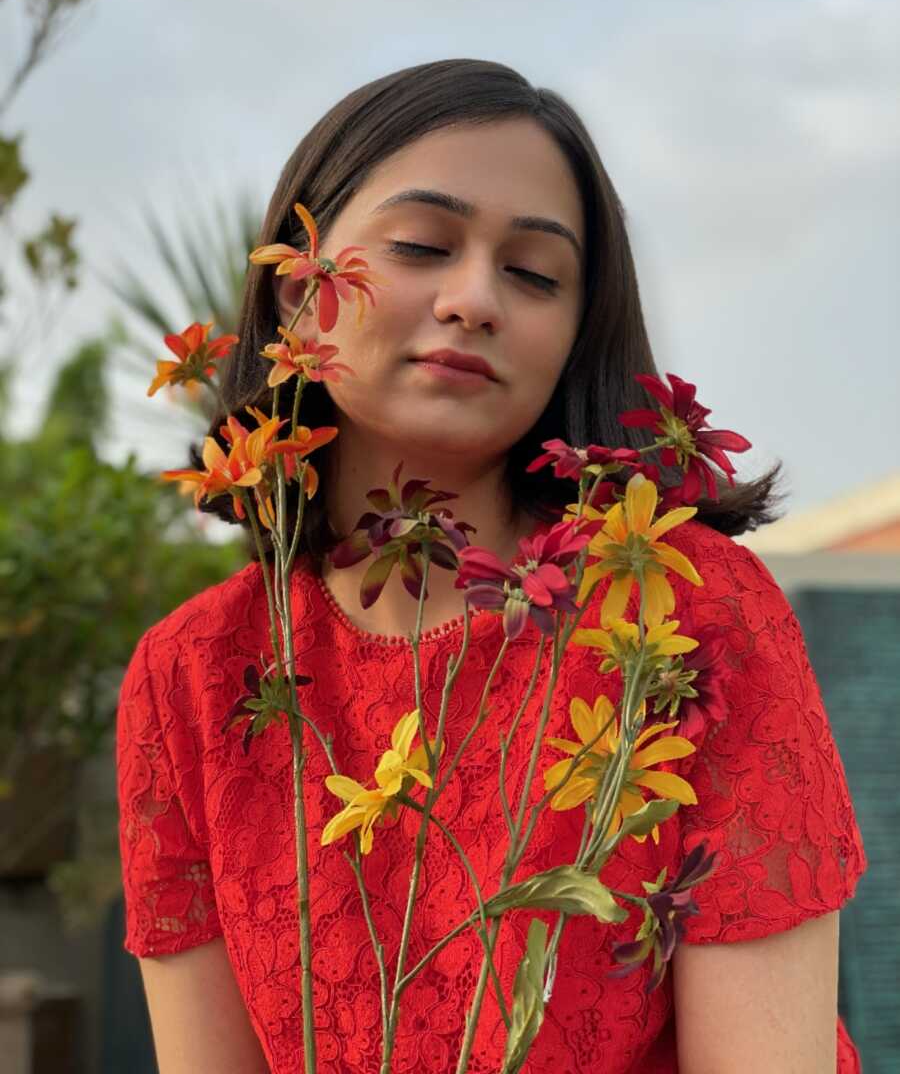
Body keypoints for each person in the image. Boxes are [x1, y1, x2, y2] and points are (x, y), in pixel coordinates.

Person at [116, 58, 866, 1073]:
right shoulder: (196, 675)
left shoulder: (683, 612)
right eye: (424, 245)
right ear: (296, 292)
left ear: (574, 335)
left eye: (534, 273)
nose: (474, 298)